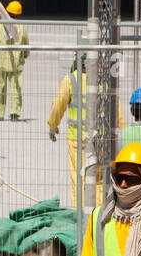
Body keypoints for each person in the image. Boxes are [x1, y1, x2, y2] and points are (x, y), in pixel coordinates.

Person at [47, 54, 123, 207]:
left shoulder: (71, 79)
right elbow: (117, 109)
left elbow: (57, 105)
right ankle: (98, 214)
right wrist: (122, 131)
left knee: (78, 179)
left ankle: (81, 218)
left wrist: (53, 125)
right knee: (97, 178)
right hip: (100, 139)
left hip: (77, 140)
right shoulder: (104, 82)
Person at [0, 1, 28, 121]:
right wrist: (24, 57)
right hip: (16, 64)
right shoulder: (21, 28)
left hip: (1, 63)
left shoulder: (0, 26)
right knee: (15, 88)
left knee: (0, 87)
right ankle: (14, 113)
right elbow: (26, 44)